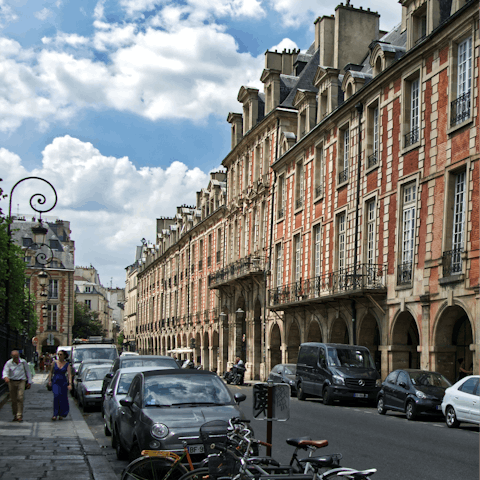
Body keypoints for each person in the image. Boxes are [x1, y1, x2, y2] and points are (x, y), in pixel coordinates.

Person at [2, 350, 33, 422]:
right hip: (12, 381)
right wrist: (5, 377)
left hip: (21, 381)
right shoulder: (9, 363)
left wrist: (29, 382)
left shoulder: (23, 362)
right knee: (13, 399)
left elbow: (28, 371)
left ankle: (19, 415)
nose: (16, 358)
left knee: (20, 397)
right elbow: (5, 371)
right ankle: (15, 414)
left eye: (17, 356)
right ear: (12, 356)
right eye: (14, 357)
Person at [47, 350, 72, 421]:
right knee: (56, 396)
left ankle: (61, 414)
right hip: (55, 382)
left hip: (63, 383)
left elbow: (69, 374)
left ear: (64, 356)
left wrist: (70, 384)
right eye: (58, 354)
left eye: (61, 354)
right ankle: (55, 414)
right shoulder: (54, 362)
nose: (59, 356)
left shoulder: (67, 364)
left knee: (63, 398)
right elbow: (51, 372)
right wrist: (49, 381)